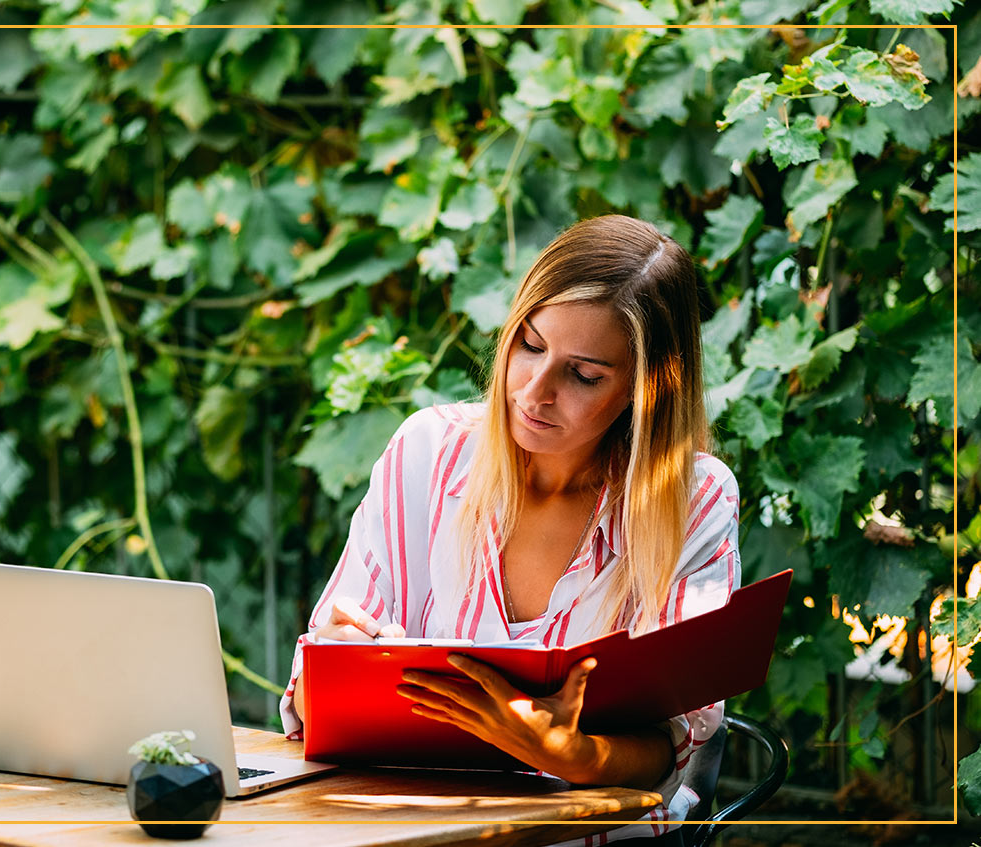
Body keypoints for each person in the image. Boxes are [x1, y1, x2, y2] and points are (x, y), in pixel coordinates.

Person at [279, 215, 740, 846]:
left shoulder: (690, 498)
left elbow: (673, 745)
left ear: (648, 387)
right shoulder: (429, 451)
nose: (535, 390)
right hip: (413, 835)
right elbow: (315, 702)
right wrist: (328, 675)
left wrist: (569, 753)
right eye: (528, 344)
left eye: (583, 375)